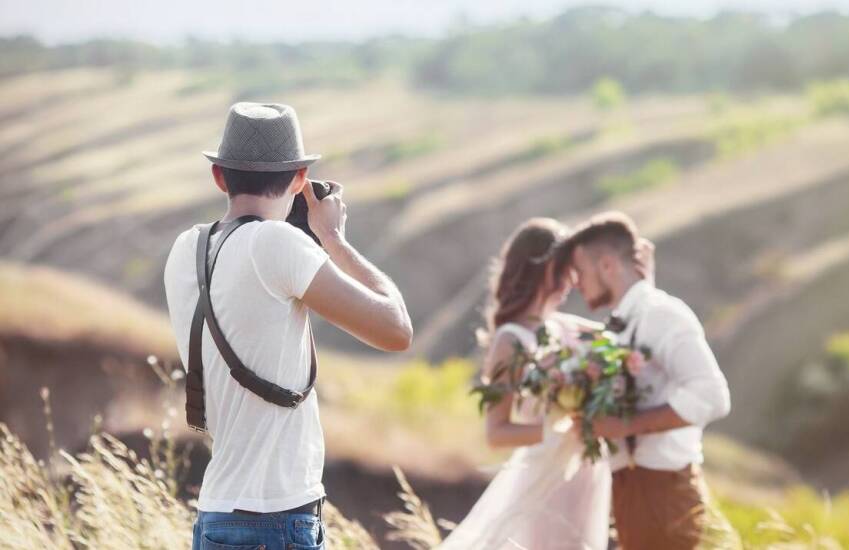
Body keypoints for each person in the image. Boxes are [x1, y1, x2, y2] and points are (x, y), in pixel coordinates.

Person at [163, 102, 412, 550]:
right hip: (277, 518)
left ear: (219, 176)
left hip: (215, 512)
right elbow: (396, 330)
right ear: (300, 180)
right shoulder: (279, 245)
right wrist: (333, 240)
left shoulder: (186, 248)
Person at [437, 217, 653, 550]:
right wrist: (561, 431)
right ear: (544, 269)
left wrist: (643, 278)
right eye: (568, 268)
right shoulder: (510, 341)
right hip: (543, 479)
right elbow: (497, 433)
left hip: (585, 474)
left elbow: (623, 334)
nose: (575, 280)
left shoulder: (563, 326)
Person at [554, 211, 731, 550]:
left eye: (581, 271)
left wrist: (623, 426)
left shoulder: (662, 314)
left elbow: (713, 396)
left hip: (662, 492)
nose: (576, 282)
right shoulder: (626, 320)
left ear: (607, 265)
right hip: (633, 489)